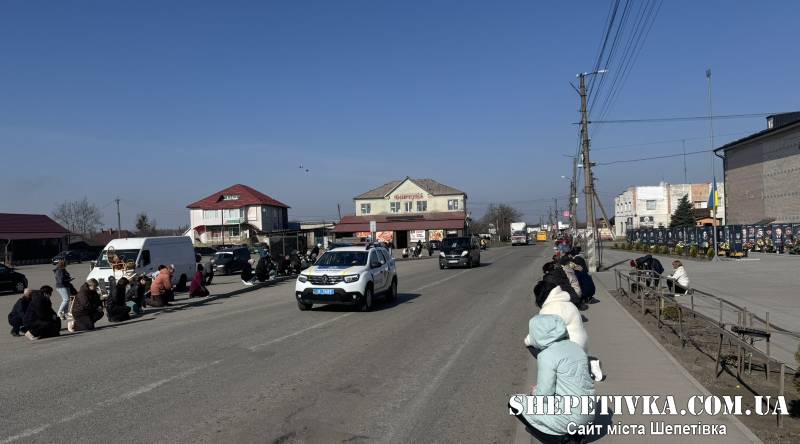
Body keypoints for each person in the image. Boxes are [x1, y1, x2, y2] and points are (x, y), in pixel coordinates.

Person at [516, 315, 596, 442]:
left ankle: (562, 440)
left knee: (516, 402)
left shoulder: (547, 355)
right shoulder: (576, 347)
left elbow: (544, 396)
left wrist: (534, 392)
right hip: (589, 414)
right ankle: (577, 435)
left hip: (571, 418)